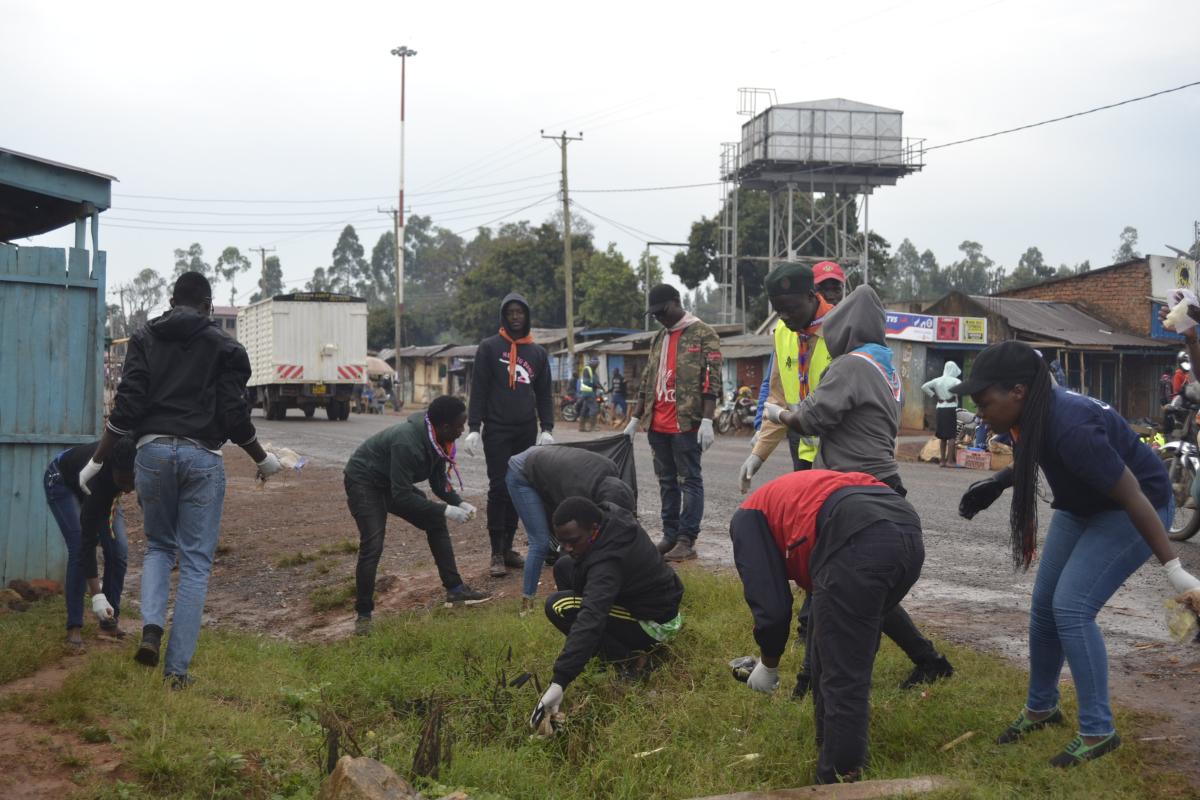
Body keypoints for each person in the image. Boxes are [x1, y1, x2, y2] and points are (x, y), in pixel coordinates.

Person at [956, 340, 1200, 767]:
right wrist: (998, 484)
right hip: (1082, 505)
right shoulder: (1034, 409)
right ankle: (1041, 707)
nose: (980, 412)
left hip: (1133, 507)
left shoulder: (1071, 425)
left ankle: (1098, 730)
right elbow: (1041, 450)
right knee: (1045, 605)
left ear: (1017, 391)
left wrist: (1175, 569)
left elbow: (1134, 497)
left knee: (1071, 607)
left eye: (983, 400)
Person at [83, 271, 283, 687]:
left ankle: (151, 628)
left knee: (158, 546)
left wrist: (98, 459)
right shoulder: (227, 347)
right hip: (201, 457)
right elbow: (233, 414)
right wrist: (261, 459)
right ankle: (177, 672)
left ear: (171, 301)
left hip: (152, 453)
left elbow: (128, 407)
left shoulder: (144, 338)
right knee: (194, 564)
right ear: (209, 306)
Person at [765, 285, 953, 696]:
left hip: (854, 491)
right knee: (862, 591)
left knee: (827, 585)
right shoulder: (884, 363)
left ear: (844, 329)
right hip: (882, 485)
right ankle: (929, 661)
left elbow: (811, 419)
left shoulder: (850, 365)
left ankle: (807, 685)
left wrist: (776, 411)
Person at [731, 469, 925, 785]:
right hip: (907, 532)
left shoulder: (746, 520)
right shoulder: (783, 500)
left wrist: (768, 665)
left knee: (844, 676)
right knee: (830, 648)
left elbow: (773, 608)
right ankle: (829, 746)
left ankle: (837, 780)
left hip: (856, 538)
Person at [529, 496, 684, 729]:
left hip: (655, 623)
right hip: (643, 600)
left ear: (593, 528)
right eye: (562, 542)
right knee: (563, 566)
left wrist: (560, 681)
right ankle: (600, 652)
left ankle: (633, 662)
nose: (568, 548)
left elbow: (591, 617)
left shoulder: (608, 564)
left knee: (560, 606)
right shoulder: (609, 515)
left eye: (573, 541)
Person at [344, 396, 489, 633]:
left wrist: (460, 503)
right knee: (373, 543)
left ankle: (455, 590)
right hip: (364, 481)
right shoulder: (407, 443)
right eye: (459, 426)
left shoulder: (438, 440)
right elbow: (401, 496)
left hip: (389, 481)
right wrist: (446, 509)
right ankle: (363, 615)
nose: (462, 431)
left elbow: (438, 483)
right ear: (444, 427)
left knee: (435, 521)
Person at [624, 284, 721, 562]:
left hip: (686, 424)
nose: (660, 318)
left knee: (689, 480)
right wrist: (634, 418)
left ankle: (686, 540)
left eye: (663, 311)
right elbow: (647, 380)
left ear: (677, 302)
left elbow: (711, 380)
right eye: (655, 314)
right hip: (657, 423)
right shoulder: (659, 338)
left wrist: (707, 420)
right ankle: (669, 535)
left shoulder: (704, 334)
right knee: (666, 482)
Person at [463, 293, 555, 578]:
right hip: (498, 429)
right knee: (499, 487)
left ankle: (509, 548)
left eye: (520, 313)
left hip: (525, 430)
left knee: (519, 487)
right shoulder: (489, 348)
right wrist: (474, 428)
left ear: (527, 316)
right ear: (504, 316)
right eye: (511, 312)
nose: (516, 317)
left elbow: (544, 394)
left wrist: (547, 428)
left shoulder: (537, 353)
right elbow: (477, 389)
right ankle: (495, 552)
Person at [506, 445, 636, 613]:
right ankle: (527, 606)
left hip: (548, 464)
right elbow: (571, 545)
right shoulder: (578, 494)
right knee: (540, 542)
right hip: (521, 471)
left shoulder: (612, 470)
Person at [743, 262, 834, 488]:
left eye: (791, 309)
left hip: (840, 453)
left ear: (812, 295)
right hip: (804, 450)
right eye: (778, 310)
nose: (784, 316)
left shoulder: (842, 328)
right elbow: (779, 397)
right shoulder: (784, 333)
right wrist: (759, 453)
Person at [43, 436, 135, 648]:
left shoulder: (133, 464)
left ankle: (109, 622)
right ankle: (74, 626)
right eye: (124, 483)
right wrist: (97, 596)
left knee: (118, 551)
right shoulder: (98, 481)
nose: (129, 489)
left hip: (105, 489)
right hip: (61, 481)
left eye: (132, 482)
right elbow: (87, 542)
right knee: (78, 547)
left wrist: (123, 485)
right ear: (114, 471)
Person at [922, 361, 962, 468]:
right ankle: (950, 461)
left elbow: (924, 386)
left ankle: (942, 461)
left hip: (940, 408)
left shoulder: (937, 380)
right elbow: (961, 389)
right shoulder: (955, 381)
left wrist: (934, 395)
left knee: (942, 435)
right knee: (952, 435)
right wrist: (954, 394)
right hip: (950, 408)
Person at [578, 356, 602, 432]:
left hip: (587, 392)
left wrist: (599, 386)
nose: (597, 365)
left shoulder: (591, 370)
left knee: (585, 409)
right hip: (589, 392)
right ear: (593, 363)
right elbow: (586, 381)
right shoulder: (588, 369)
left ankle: (581, 427)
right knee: (594, 409)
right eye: (597, 364)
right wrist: (594, 384)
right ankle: (593, 426)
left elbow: (595, 380)